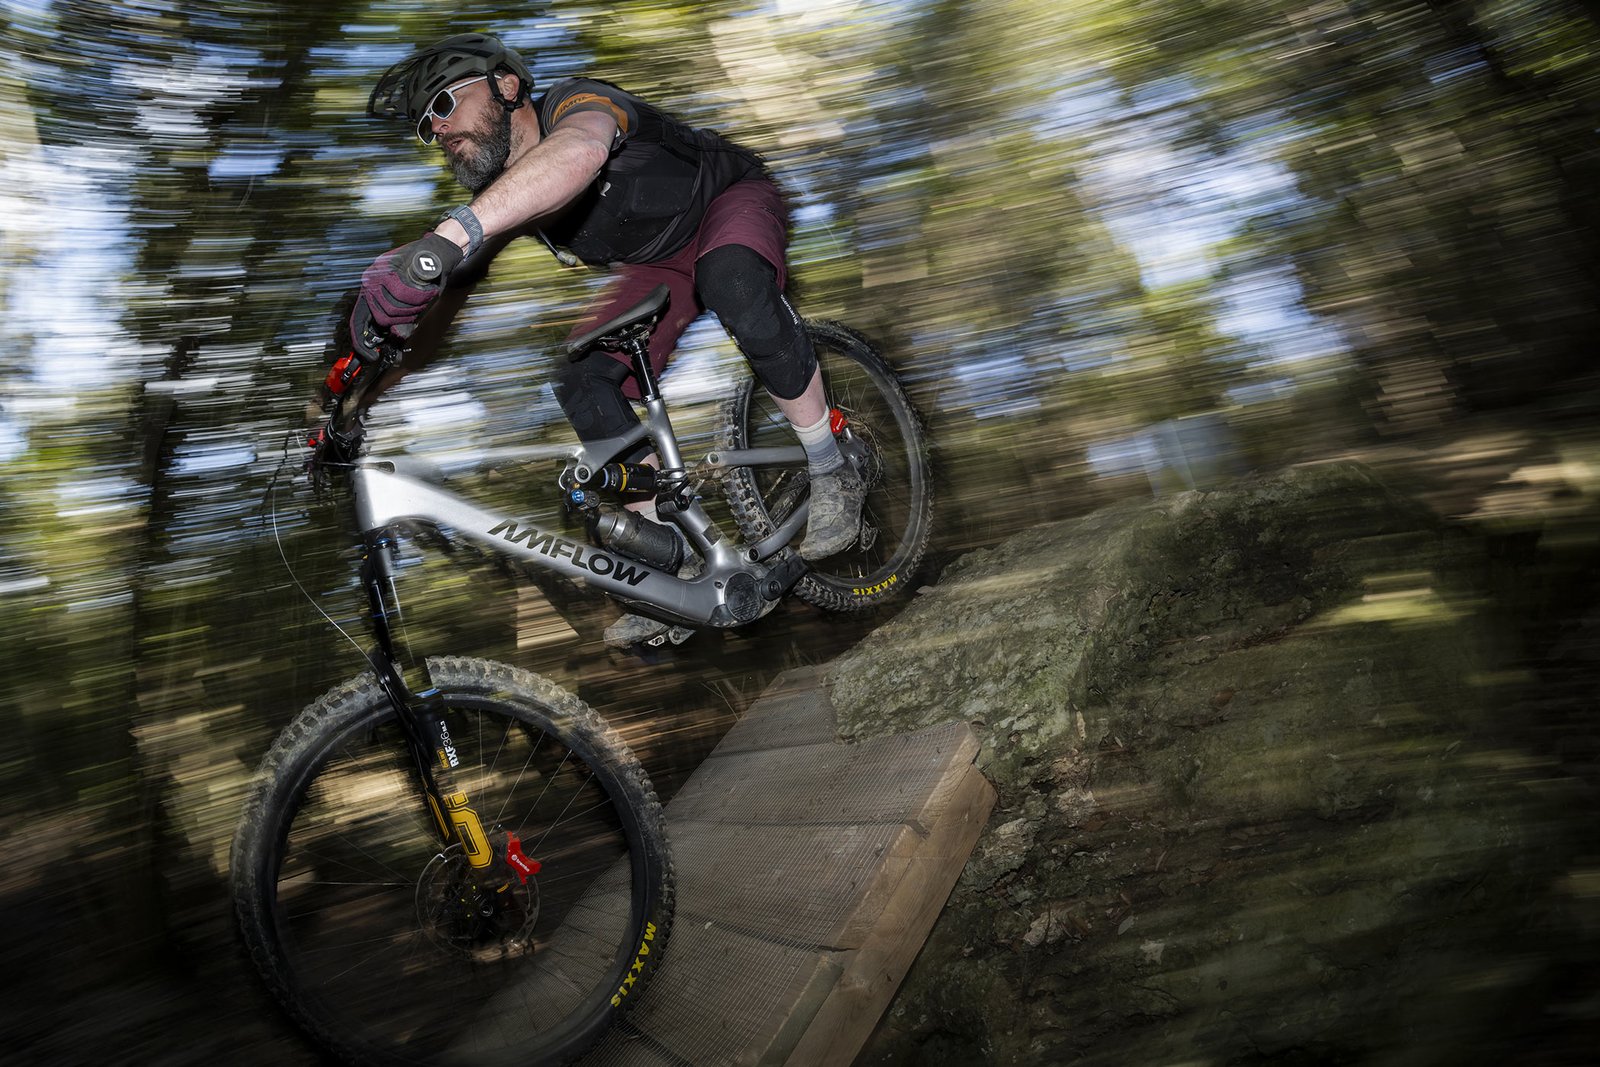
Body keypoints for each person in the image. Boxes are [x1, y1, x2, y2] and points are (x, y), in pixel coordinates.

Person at [347, 32, 865, 648]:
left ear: (506, 88)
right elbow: (436, 319)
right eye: (424, 128)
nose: (435, 133)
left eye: (441, 106)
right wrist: (359, 395)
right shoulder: (502, 201)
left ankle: (835, 465)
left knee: (728, 277)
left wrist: (448, 237)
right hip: (660, 268)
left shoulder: (579, 105)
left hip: (728, 201)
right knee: (582, 378)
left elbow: (581, 152)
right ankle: (674, 571)